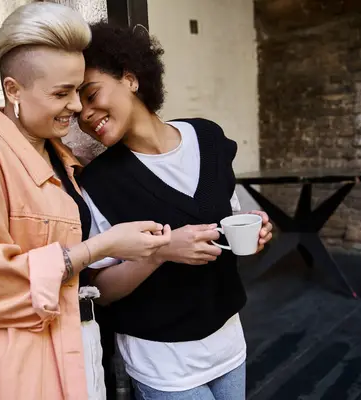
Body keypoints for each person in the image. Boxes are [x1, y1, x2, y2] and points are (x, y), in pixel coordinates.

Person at [0, 6, 170, 400]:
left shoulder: (61, 155)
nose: (76, 106)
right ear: (13, 89)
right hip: (18, 370)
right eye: (61, 93)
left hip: (77, 349)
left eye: (77, 90)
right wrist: (99, 248)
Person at [76, 23, 274, 400]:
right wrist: (160, 253)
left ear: (130, 78)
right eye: (76, 107)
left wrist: (259, 229)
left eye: (91, 94)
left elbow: (228, 215)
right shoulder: (99, 183)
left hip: (228, 343)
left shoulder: (209, 139)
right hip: (162, 363)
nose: (86, 114)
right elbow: (99, 291)